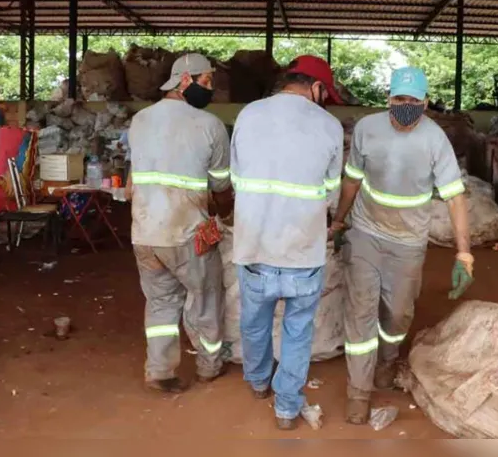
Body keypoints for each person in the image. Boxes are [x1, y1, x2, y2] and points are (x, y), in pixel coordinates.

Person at [329, 66, 474, 425]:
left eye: (413, 101)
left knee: (397, 313)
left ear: (426, 103)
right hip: (365, 231)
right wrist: (339, 220)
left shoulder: (435, 139)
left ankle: (388, 357)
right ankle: (358, 391)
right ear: (388, 99)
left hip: (409, 240)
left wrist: (464, 251)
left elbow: (455, 197)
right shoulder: (367, 129)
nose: (405, 106)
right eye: (398, 99)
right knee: (360, 311)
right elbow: (352, 180)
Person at [230, 55, 344, 431]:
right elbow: (330, 193)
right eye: (323, 92)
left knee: (255, 322)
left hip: (254, 244)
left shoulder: (248, 115)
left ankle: (260, 382)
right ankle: (286, 409)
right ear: (315, 87)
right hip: (302, 249)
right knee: (298, 330)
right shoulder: (329, 126)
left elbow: (235, 177)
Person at [127, 53, 234, 394]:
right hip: (187, 233)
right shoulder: (209, 125)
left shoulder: (140, 120)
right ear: (184, 80)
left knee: (160, 302)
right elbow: (221, 185)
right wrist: (224, 216)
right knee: (204, 298)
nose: (211, 88)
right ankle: (208, 366)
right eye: (207, 81)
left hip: (144, 234)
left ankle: (159, 370)